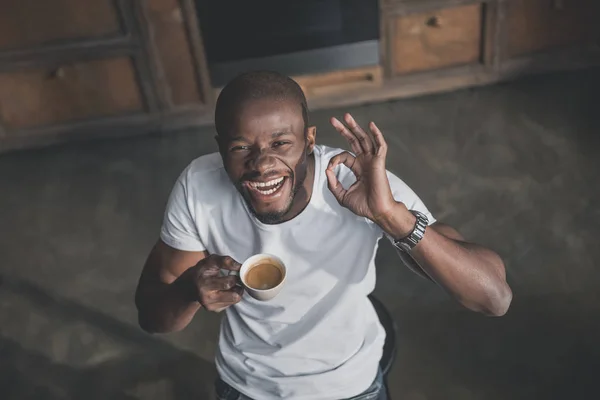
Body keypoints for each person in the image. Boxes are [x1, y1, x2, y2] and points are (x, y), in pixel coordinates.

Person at [135, 71, 512, 400]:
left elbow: (493, 298)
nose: (262, 163)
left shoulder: (355, 179)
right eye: (240, 148)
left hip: (351, 385)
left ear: (309, 139)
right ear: (220, 149)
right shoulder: (198, 186)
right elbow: (152, 316)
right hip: (245, 386)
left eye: (281, 143)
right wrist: (188, 290)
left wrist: (390, 216)